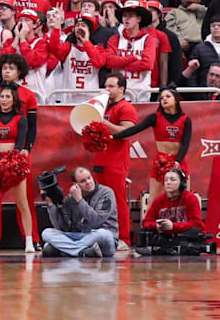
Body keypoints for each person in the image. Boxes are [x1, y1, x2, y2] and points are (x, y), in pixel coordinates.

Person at [112, 84, 191, 206]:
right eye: (161, 97)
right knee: (155, 199)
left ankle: (181, 224)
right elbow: (135, 129)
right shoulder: (155, 118)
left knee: (182, 200)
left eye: (168, 96)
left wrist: (178, 161)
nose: (164, 99)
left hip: (178, 162)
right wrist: (113, 136)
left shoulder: (186, 119)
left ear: (176, 99)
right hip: (161, 162)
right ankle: (150, 224)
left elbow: (186, 143)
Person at [0, 83, 35, 253]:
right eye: (2, 97)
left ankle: (29, 241)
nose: (4, 100)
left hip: (16, 161)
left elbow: (20, 143)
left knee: (22, 202)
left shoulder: (21, 119)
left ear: (14, 100)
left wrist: (12, 160)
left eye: (7, 97)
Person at [91, 73, 138, 250]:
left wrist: (103, 122)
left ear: (121, 89)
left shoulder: (125, 108)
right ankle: (105, 236)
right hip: (101, 158)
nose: (107, 90)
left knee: (118, 200)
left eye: (111, 86)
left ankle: (124, 238)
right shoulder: (104, 106)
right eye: (106, 86)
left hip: (116, 161)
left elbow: (127, 131)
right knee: (100, 201)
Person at [39, 166, 118, 257]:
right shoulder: (70, 198)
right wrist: (51, 205)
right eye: (83, 181)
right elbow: (61, 227)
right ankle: (82, 251)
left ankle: (68, 249)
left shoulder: (106, 193)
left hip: (100, 238)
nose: (88, 182)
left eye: (89, 178)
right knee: (47, 233)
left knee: (104, 234)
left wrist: (79, 200)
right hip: (79, 236)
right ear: (75, 184)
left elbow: (96, 221)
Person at [136, 168, 205, 256]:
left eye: (173, 180)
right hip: (166, 235)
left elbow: (197, 224)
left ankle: (165, 249)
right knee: (143, 232)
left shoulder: (190, 198)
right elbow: (146, 222)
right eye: (166, 180)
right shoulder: (159, 200)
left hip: (182, 234)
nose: (168, 182)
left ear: (182, 183)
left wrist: (174, 226)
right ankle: (171, 248)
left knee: (194, 232)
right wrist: (157, 226)